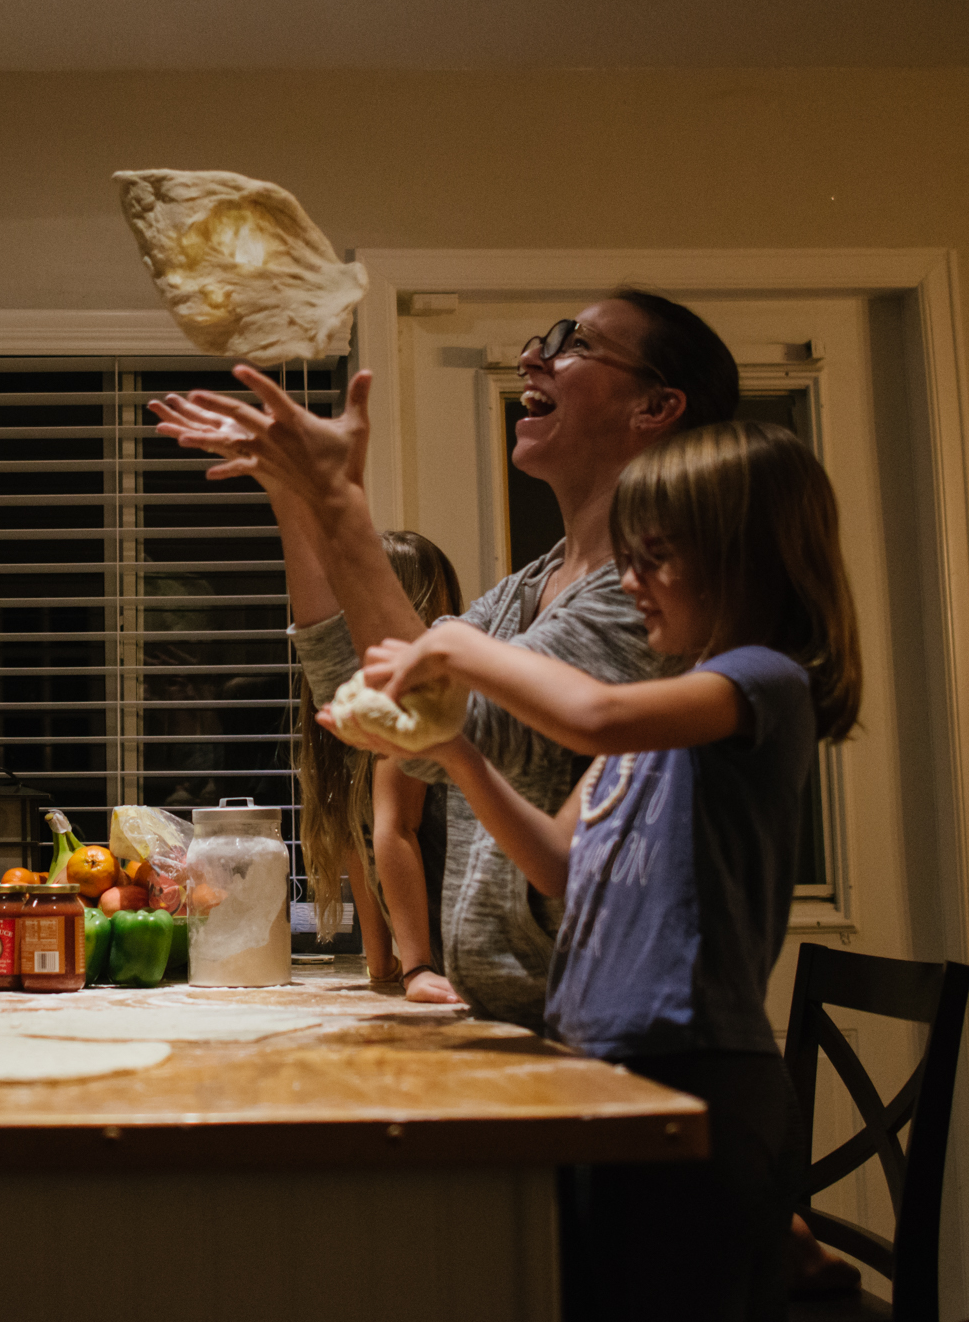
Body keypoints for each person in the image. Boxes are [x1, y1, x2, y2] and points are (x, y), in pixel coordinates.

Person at [366, 420, 863, 1321]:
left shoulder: (760, 680)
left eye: (656, 556)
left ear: (743, 557)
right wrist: (459, 755)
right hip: (606, 1064)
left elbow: (591, 715)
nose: (628, 581)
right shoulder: (668, 708)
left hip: (699, 1075)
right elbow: (558, 864)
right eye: (626, 556)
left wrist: (455, 646)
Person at [152, 289, 740, 1032]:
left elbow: (472, 726)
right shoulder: (529, 586)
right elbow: (369, 699)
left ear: (655, 407)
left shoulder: (648, 602)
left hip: (623, 1038)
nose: (533, 355)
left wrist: (340, 500)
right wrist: (294, 497)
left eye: (574, 343)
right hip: (528, 1023)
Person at [294, 530, 463, 1002]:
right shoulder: (381, 709)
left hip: (456, 959)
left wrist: (412, 970)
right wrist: (385, 966)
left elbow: (395, 830)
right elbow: (361, 834)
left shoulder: (418, 704)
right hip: (446, 961)